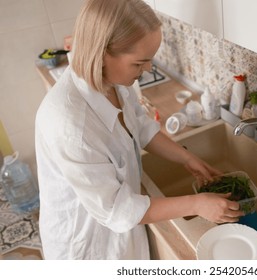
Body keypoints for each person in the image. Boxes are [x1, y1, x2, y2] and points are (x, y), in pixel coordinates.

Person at [35, 0, 243, 260]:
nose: (147, 70)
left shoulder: (113, 81)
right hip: (86, 246)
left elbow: (141, 128)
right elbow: (116, 211)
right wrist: (197, 203)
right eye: (139, 63)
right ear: (101, 54)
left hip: (121, 233)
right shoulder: (69, 124)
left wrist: (188, 158)